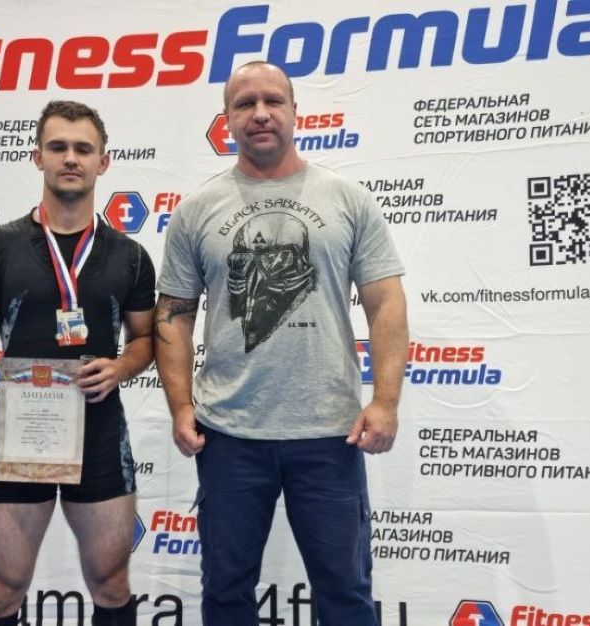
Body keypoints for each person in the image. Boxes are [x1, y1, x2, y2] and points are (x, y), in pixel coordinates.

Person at [154, 62, 408, 625]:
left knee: (345, 592)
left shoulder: (347, 199)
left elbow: (385, 303)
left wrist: (386, 402)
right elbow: (172, 315)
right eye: (245, 104)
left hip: (330, 432)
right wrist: (179, 406)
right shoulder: (196, 210)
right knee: (226, 591)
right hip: (228, 434)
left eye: (273, 101)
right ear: (226, 119)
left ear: (296, 112)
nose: (260, 113)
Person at [0, 100, 155, 626]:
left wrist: (121, 367)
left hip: (100, 435)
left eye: (83, 148)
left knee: (111, 585)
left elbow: (147, 339)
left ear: (103, 161)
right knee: (1, 591)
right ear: (37, 157)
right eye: (58, 147)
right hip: (20, 436)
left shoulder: (131, 256)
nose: (71, 158)